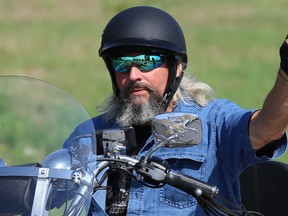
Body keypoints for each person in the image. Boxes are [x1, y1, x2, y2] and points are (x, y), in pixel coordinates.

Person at [64, 6, 288, 216]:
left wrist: (286, 75)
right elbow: (49, 184)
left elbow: (265, 129)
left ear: (176, 67)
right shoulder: (89, 134)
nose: (133, 75)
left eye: (147, 62)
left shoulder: (212, 124)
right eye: (122, 64)